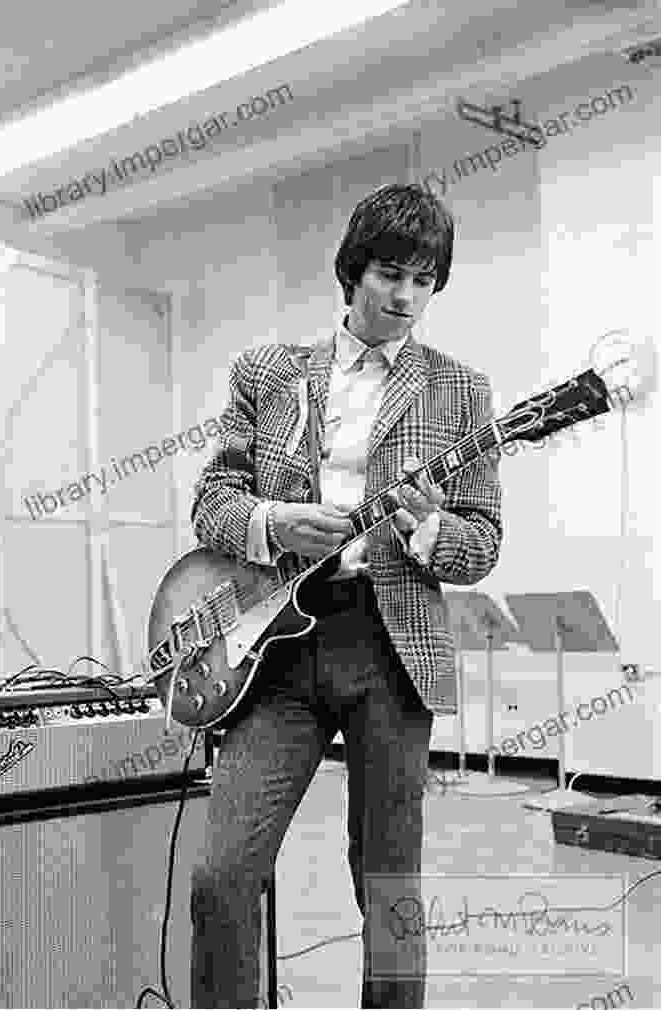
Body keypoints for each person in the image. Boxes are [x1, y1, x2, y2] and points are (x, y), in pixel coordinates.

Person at [189, 182, 502, 1008]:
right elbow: (211, 503)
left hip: (390, 651)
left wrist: (433, 532)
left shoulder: (461, 391)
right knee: (222, 879)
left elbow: (484, 543)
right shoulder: (268, 373)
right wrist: (271, 522)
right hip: (272, 655)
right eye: (390, 274)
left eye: (425, 280)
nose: (406, 297)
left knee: (390, 890)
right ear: (351, 271)